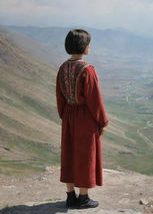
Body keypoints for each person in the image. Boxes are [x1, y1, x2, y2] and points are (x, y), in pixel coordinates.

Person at [55, 29, 109, 209]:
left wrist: (65, 115)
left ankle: (70, 196)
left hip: (69, 115)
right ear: (84, 47)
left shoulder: (62, 68)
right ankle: (84, 198)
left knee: (69, 153)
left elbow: (59, 97)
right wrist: (102, 121)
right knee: (85, 155)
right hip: (85, 118)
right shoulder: (87, 70)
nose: (90, 46)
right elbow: (94, 99)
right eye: (88, 44)